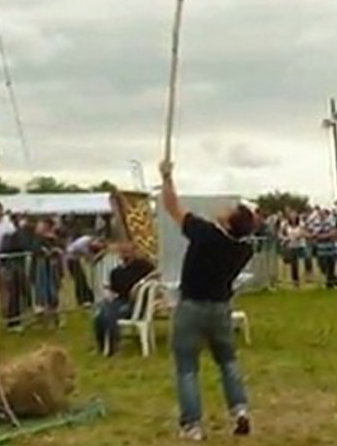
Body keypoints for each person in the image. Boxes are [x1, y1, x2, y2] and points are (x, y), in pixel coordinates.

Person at [159, 160, 253, 441]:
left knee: (187, 368)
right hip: (221, 309)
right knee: (228, 362)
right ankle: (239, 410)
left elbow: (172, 206)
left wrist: (166, 177)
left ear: (227, 221)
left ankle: (192, 425)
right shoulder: (243, 249)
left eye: (229, 210)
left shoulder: (204, 233)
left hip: (191, 308)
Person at [92, 242, 154, 356]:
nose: (125, 255)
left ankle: (112, 346)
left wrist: (140, 284)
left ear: (134, 252)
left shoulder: (142, 266)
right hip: (120, 301)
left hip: (136, 304)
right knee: (100, 314)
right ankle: (103, 346)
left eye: (128, 252)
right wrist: (108, 293)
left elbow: (156, 274)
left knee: (108, 313)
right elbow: (113, 290)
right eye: (122, 252)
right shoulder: (116, 272)